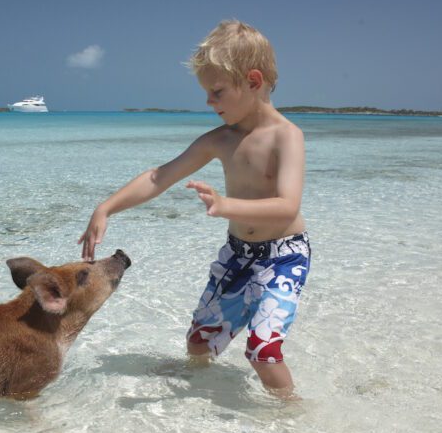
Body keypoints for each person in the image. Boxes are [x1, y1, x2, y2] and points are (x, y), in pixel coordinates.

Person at [78, 20, 310, 395]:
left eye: (217, 91)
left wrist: (225, 204)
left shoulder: (287, 136)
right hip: (238, 255)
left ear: (253, 81)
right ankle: (198, 390)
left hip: (283, 257)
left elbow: (287, 206)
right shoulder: (220, 139)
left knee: (263, 350)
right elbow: (159, 177)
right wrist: (105, 208)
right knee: (198, 343)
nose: (208, 102)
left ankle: (292, 416)